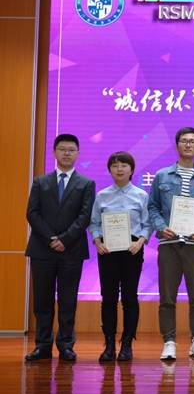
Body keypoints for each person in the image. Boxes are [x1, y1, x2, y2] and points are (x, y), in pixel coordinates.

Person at [25, 134, 95, 362]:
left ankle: (66, 345)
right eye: (62, 149)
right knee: (42, 300)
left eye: (71, 150)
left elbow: (85, 216)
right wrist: (51, 238)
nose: (67, 153)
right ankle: (42, 345)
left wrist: (64, 239)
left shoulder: (86, 183)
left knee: (68, 300)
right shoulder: (40, 181)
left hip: (71, 250)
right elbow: (32, 213)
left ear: (78, 154)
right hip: (42, 249)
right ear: (54, 152)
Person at [148, 127, 194, 360]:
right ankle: (169, 342)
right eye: (184, 141)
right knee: (167, 297)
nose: (188, 145)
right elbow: (152, 206)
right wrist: (160, 226)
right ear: (177, 145)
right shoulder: (162, 176)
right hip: (169, 244)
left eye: (192, 141)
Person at [89, 151, 151, 361]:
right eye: (115, 166)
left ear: (132, 169)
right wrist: (97, 242)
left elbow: (147, 224)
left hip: (132, 249)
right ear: (109, 170)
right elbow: (94, 223)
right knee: (108, 298)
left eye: (124, 165)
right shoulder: (102, 195)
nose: (119, 169)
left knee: (130, 298)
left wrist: (140, 242)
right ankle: (108, 345)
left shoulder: (141, 195)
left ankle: (126, 344)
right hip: (108, 251)